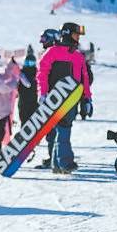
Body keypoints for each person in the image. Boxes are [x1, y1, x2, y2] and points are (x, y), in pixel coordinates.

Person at [37, 22, 93, 174]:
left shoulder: (77, 56)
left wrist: (87, 99)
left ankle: (56, 165)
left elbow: (84, 79)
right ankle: (65, 162)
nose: (78, 38)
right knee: (63, 129)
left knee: (60, 131)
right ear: (67, 34)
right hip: (55, 98)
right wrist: (43, 93)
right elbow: (42, 74)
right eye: (76, 34)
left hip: (72, 99)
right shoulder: (52, 52)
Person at [36, 28, 61, 169]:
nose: (42, 43)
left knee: (53, 129)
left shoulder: (53, 53)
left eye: (44, 39)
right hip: (52, 95)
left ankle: (55, 158)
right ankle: (54, 157)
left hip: (53, 96)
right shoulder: (51, 52)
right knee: (52, 129)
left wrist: (44, 93)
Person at [18, 45, 38, 126]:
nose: (29, 65)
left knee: (33, 122)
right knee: (24, 121)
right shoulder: (22, 73)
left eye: (31, 63)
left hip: (33, 101)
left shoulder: (36, 72)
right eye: (27, 63)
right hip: (23, 102)